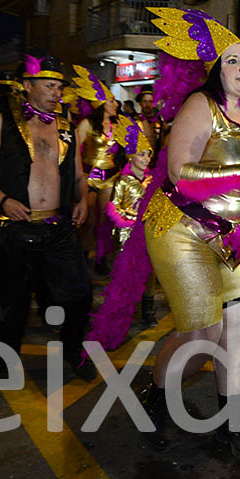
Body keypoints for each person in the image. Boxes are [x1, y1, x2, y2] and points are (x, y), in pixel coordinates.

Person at [132, 6, 240, 459]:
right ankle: (157, 403)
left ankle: (231, 425)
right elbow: (180, 173)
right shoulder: (200, 106)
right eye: (232, 61)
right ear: (213, 70)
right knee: (203, 334)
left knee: (239, 331)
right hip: (185, 230)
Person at [0, 55, 96, 380]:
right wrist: (4, 200)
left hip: (59, 229)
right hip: (13, 228)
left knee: (78, 294)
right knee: (7, 301)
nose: (57, 93)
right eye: (49, 85)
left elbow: (79, 175)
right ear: (28, 86)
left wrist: (82, 198)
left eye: (59, 87)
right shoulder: (2, 123)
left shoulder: (66, 129)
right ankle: (1, 362)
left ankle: (73, 351)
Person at [106, 114, 157, 326]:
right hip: (127, 233)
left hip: (147, 231)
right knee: (126, 273)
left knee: (150, 271)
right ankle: (120, 311)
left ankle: (148, 308)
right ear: (130, 157)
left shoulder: (152, 179)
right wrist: (125, 223)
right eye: (141, 155)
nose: (146, 159)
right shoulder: (123, 181)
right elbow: (112, 207)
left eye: (148, 155)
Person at [73, 66, 122, 275]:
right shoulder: (86, 124)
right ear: (101, 104)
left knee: (105, 222)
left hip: (110, 178)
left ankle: (101, 258)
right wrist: (78, 173)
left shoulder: (119, 124)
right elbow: (73, 149)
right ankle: (82, 257)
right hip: (89, 178)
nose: (116, 104)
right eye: (111, 101)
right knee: (86, 221)